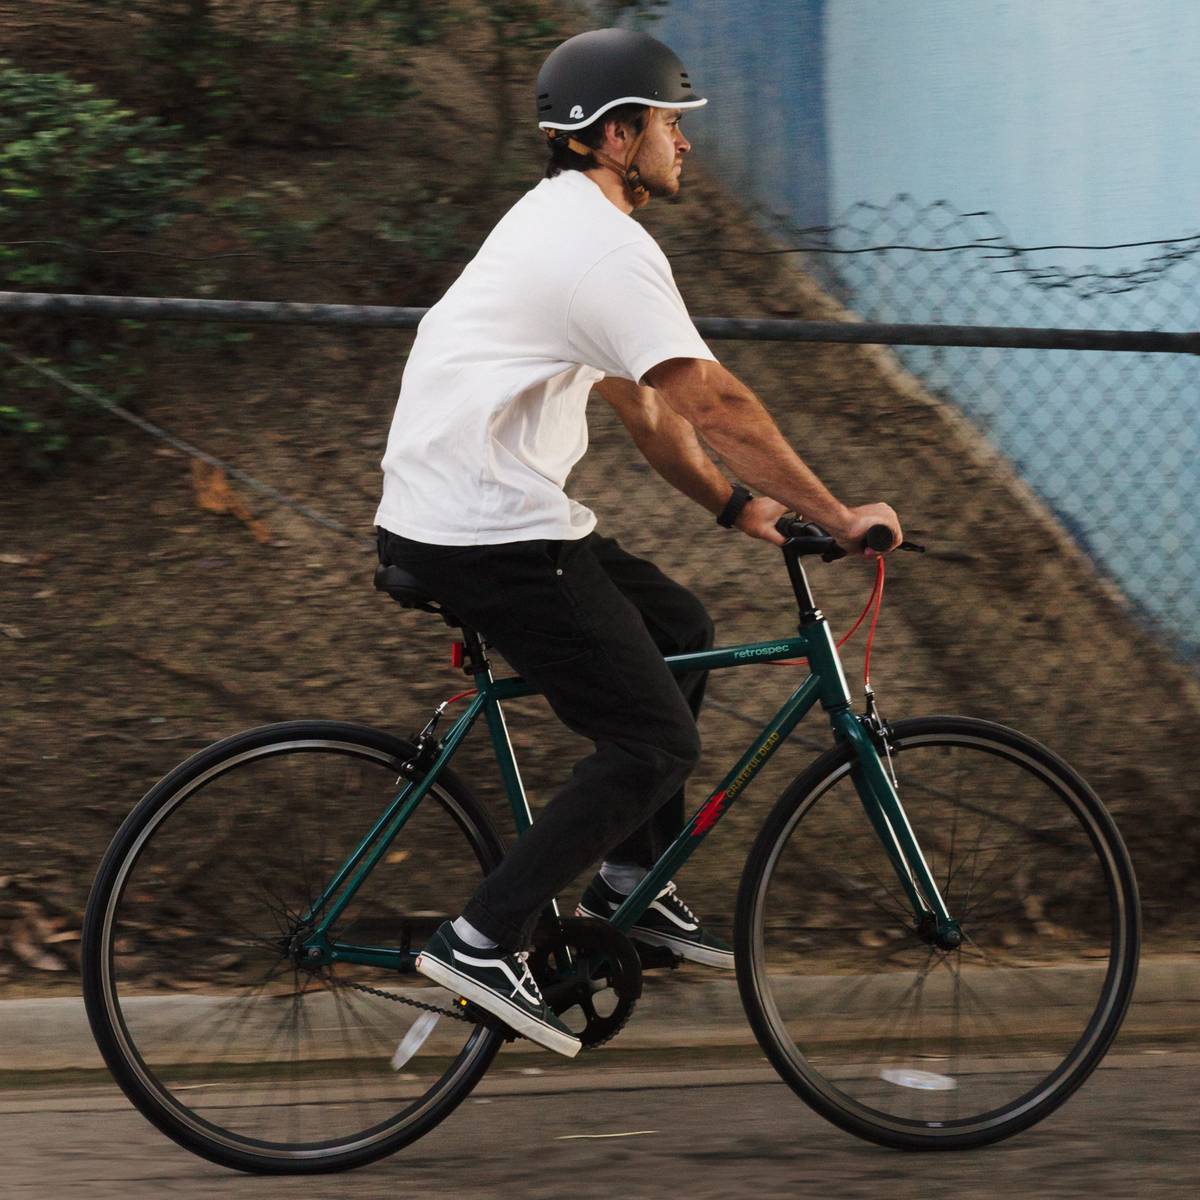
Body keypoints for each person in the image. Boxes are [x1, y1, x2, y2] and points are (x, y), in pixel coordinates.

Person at [374, 27, 901, 1057]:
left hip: (471, 512)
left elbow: (644, 405)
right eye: (669, 123)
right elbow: (713, 399)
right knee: (653, 741)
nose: (684, 145)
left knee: (679, 622)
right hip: (488, 530)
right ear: (616, 136)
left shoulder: (562, 221)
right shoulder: (604, 246)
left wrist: (735, 509)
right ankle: (483, 940)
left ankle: (631, 883)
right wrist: (839, 516)